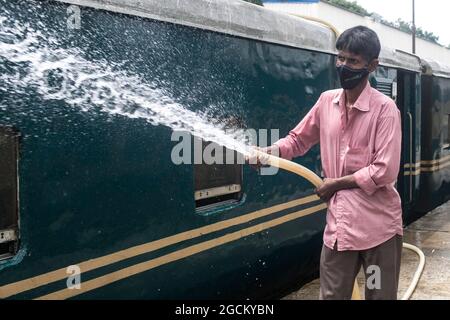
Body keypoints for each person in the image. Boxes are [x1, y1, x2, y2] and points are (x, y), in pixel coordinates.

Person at [251, 26, 403, 300]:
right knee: (332, 296)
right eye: (340, 58)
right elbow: (297, 140)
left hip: (378, 233)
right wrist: (269, 152)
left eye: (353, 61)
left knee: (378, 294)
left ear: (372, 65)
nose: (344, 66)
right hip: (339, 231)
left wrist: (336, 184)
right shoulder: (326, 102)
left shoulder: (385, 110)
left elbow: (385, 170)